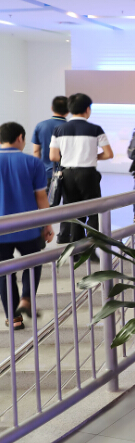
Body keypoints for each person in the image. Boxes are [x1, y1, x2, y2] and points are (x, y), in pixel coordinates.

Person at [0, 122, 55, 329]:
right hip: (28, 227)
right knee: (33, 263)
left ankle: (13, 318)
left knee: (4, 272)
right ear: (20, 138)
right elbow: (41, 197)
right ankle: (26, 298)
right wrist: (47, 224)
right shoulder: (33, 163)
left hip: (1, 230)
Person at [49, 93, 113, 242]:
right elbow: (109, 154)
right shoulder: (95, 129)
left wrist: (70, 157)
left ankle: (77, 247)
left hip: (67, 175)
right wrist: (91, 156)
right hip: (88, 174)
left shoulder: (59, 129)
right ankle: (93, 244)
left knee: (74, 213)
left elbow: (53, 156)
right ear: (87, 109)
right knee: (94, 210)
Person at [31, 96, 69, 243]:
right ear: (68, 110)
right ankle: (64, 236)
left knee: (43, 206)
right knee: (68, 205)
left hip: (45, 173)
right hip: (66, 172)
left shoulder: (41, 126)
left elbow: (36, 151)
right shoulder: (69, 127)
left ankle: (41, 236)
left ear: (52, 108)